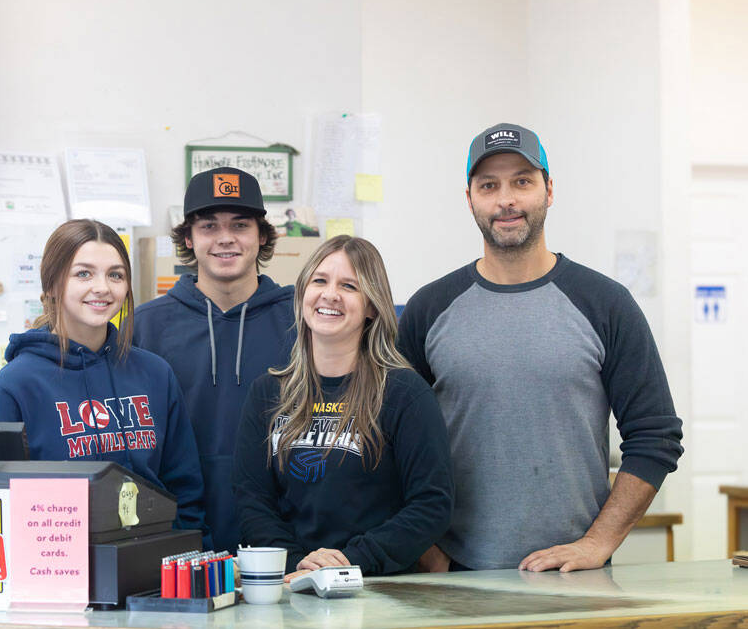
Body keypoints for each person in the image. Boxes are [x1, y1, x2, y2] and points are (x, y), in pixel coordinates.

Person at [397, 123, 684, 572]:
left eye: (522, 182)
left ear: (549, 191)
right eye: (488, 185)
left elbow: (656, 436)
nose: (506, 199)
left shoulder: (606, 304)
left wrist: (598, 543)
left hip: (575, 581)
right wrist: (428, 553)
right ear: (469, 198)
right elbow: (390, 440)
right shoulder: (428, 309)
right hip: (453, 581)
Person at [233, 235, 453, 577]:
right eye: (319, 281)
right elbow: (253, 500)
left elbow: (431, 504)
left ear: (371, 306)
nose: (330, 294)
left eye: (349, 285)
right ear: (303, 293)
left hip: (377, 588)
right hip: (292, 583)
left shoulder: (404, 393)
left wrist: (350, 562)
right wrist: (296, 565)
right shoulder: (267, 394)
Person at [0, 219, 209, 538]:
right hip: (56, 573)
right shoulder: (13, 386)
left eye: (115, 274)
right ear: (53, 284)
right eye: (83, 273)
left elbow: (185, 491)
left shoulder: (155, 373)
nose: (102, 287)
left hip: (151, 569)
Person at [133, 167, 295, 553]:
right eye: (209, 226)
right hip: (176, 536)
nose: (225, 239)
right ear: (188, 237)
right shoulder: (146, 326)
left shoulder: (301, 320)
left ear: (262, 235)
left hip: (286, 536)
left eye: (240, 224)